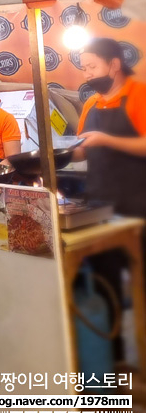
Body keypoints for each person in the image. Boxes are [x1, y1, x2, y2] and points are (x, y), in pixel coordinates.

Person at [73, 37, 146, 363]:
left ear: (114, 65)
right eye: (84, 67)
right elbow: (80, 149)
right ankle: (113, 360)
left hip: (138, 202)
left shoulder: (138, 94)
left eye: (91, 66)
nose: (87, 73)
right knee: (105, 281)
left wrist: (107, 139)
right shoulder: (90, 104)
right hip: (100, 203)